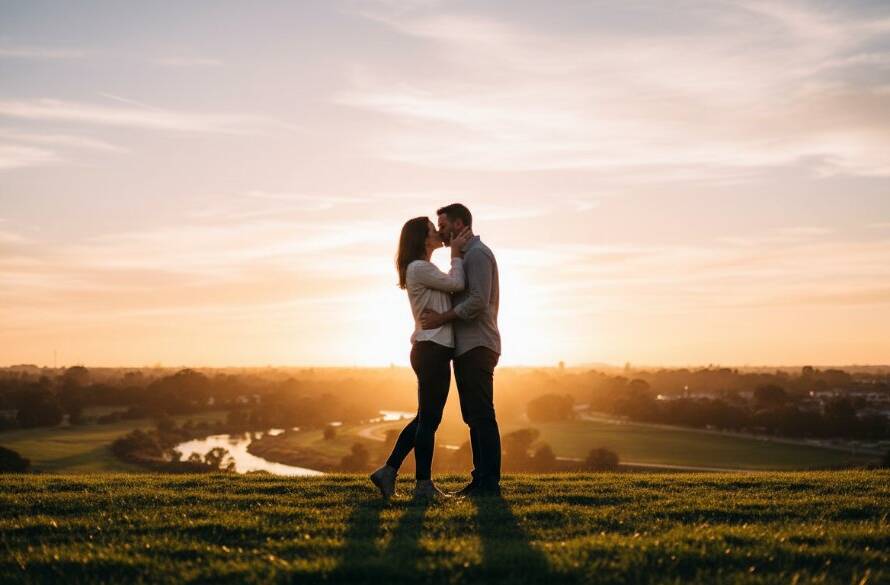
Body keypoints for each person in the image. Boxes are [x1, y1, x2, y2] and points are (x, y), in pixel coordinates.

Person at [369, 216, 471, 500]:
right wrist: (456, 255)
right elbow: (458, 284)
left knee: (426, 418)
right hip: (432, 349)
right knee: (428, 421)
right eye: (432, 229)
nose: (438, 231)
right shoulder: (419, 268)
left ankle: (388, 472)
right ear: (423, 238)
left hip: (433, 349)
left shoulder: (423, 268)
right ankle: (423, 485)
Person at [419, 203, 502, 497]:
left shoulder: (478, 255)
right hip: (466, 347)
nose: (440, 232)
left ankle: (489, 482)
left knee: (482, 414)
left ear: (458, 224)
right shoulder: (463, 258)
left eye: (443, 226)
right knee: (472, 416)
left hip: (478, 344)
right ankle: (479, 480)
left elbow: (478, 301)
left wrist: (441, 318)